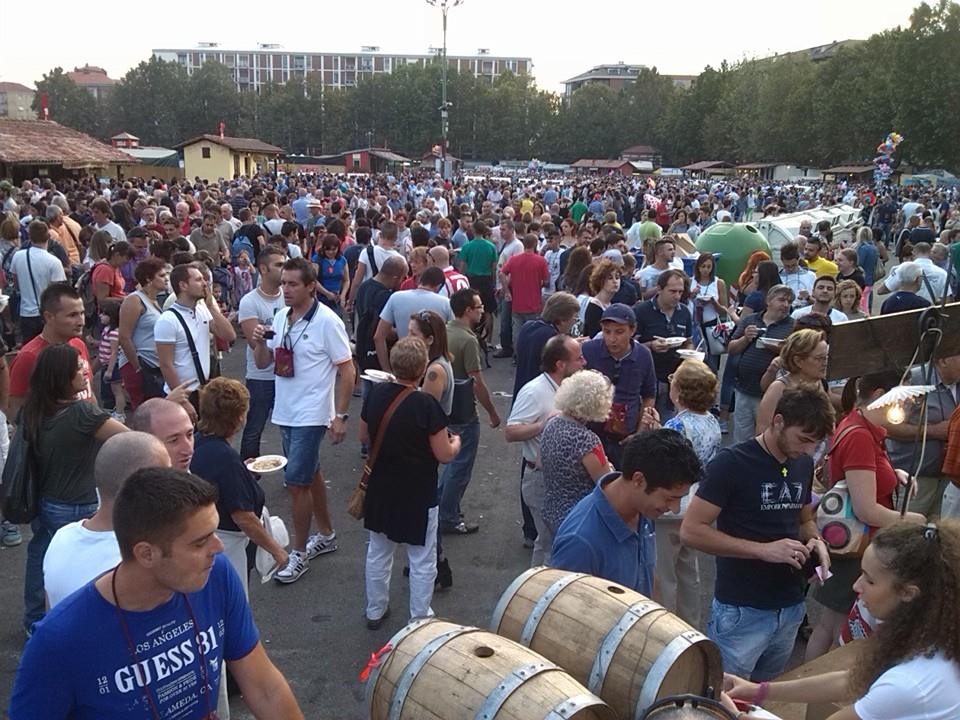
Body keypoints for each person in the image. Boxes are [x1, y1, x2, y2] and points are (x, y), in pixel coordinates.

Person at [8, 467, 306, 719]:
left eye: (215, 532)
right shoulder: (59, 641)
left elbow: (265, 688)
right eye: (199, 542)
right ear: (146, 554)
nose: (218, 548)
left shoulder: (216, 576)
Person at [723, 521, 960, 720]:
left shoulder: (907, 685)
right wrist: (759, 691)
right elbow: (855, 679)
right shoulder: (933, 633)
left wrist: (736, 716)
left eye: (870, 580)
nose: (856, 586)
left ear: (908, 593)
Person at [680, 385, 835, 680]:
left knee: (762, 697)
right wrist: (763, 550)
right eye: (802, 439)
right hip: (741, 609)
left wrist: (816, 540)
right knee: (723, 699)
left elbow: (803, 519)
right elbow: (691, 531)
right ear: (778, 421)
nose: (807, 451)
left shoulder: (801, 463)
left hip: (790, 606)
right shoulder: (731, 464)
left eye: (815, 444)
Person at [804, 371, 927, 661]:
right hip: (855, 547)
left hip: (855, 543)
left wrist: (893, 474)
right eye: (904, 397)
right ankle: (813, 701)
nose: (907, 406)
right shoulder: (860, 436)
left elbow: (861, 476)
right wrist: (917, 522)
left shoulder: (861, 425)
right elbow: (866, 509)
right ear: (879, 395)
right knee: (835, 633)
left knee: (828, 627)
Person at [251, 257, 355, 583]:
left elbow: (347, 369)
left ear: (311, 286)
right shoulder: (280, 317)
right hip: (285, 410)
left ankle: (297, 553)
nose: (286, 289)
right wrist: (257, 341)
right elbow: (266, 361)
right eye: (283, 283)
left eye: (293, 284)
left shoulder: (327, 321)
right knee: (310, 475)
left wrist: (339, 416)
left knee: (296, 483)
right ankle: (325, 534)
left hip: (312, 414)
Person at [19, 343, 128, 634]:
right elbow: (130, 441)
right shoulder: (81, 413)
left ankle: (38, 622)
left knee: (45, 559)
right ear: (62, 376)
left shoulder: (36, 408)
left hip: (46, 500)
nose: (84, 369)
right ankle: (74, 627)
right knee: (83, 569)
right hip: (76, 503)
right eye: (77, 367)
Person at [361, 337, 462, 629]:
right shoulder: (426, 405)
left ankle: (375, 609)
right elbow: (443, 454)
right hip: (417, 491)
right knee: (421, 557)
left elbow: (363, 436)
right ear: (422, 369)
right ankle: (419, 616)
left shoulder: (377, 394)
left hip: (381, 486)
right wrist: (456, 444)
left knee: (378, 552)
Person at [552, 429, 702, 597]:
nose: (674, 509)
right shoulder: (580, 542)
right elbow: (563, 614)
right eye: (669, 498)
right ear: (638, 480)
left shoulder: (644, 510)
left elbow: (649, 576)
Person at [43, 431, 170, 609]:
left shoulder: (61, 538)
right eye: (167, 478)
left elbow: (50, 612)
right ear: (146, 489)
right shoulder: (139, 559)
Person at [191, 377, 289, 596]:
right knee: (234, 601)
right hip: (228, 545)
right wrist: (276, 551)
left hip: (207, 538)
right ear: (237, 418)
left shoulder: (199, 442)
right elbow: (243, 517)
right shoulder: (226, 459)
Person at [506, 335, 587, 565]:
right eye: (579, 358)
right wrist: (545, 424)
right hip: (540, 479)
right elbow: (511, 432)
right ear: (560, 364)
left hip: (561, 479)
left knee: (548, 543)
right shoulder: (534, 391)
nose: (584, 361)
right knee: (554, 545)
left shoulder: (568, 387)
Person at [657, 360, 721, 627]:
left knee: (664, 574)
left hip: (673, 504)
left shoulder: (677, 425)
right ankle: (690, 624)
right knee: (688, 571)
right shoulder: (712, 422)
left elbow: (663, 464)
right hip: (697, 502)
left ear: (679, 392)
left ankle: (665, 625)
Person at [439, 288, 501, 534]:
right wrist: (493, 413)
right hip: (463, 411)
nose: (482, 310)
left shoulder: (443, 330)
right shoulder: (468, 340)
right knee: (460, 466)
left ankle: (442, 507)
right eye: (479, 307)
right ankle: (449, 517)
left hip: (444, 407)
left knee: (449, 465)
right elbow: (477, 382)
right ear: (467, 311)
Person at [582, 303, 658, 468]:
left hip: (626, 440)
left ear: (632, 330)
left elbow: (649, 395)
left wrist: (639, 434)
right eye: (607, 332)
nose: (612, 339)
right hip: (591, 438)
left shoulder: (644, 356)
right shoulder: (588, 351)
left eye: (619, 332)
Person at [886, 354, 960, 521]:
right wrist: (934, 431)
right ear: (943, 360)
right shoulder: (913, 380)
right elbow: (888, 425)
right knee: (905, 533)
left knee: (940, 537)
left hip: (948, 480)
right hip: (914, 479)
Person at [540, 369, 615, 534]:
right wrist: (609, 466)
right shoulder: (587, 440)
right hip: (578, 520)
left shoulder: (551, 423)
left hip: (551, 511)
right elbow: (607, 483)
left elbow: (541, 462)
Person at [8, 283, 94, 420]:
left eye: (82, 313)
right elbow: (16, 408)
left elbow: (89, 393)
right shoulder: (29, 357)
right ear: (49, 317)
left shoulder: (79, 345)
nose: (81, 322)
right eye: (72, 315)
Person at [155, 262, 236, 402]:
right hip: (183, 394)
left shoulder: (202, 310)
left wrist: (210, 306)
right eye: (199, 280)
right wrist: (183, 401)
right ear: (183, 285)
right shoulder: (167, 320)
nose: (205, 284)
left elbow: (229, 335)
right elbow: (166, 364)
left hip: (203, 390)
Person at [726, 285, 796, 443]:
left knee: (766, 438)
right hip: (744, 390)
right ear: (768, 301)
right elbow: (731, 348)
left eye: (789, 301)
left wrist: (781, 349)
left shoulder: (793, 326)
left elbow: (796, 357)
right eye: (781, 300)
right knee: (741, 439)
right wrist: (745, 338)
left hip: (771, 394)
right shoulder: (751, 320)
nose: (786, 304)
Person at [237, 246, 288, 460]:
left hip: (287, 374)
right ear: (263, 269)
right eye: (279, 265)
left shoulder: (289, 295)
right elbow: (253, 342)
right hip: (261, 377)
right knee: (255, 426)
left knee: (289, 425)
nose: (284, 269)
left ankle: (292, 470)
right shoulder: (250, 301)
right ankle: (248, 470)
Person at [634, 269, 694, 422]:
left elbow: (689, 340)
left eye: (680, 292)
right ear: (659, 289)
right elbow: (630, 344)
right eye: (672, 291)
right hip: (647, 378)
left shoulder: (684, 312)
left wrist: (690, 353)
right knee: (644, 421)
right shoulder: (642, 311)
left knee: (667, 423)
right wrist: (650, 345)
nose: (677, 296)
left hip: (673, 379)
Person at [374, 265, 452, 373]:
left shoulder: (396, 297)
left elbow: (378, 337)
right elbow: (451, 337)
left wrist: (387, 370)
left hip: (403, 363)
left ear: (420, 280)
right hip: (433, 366)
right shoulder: (446, 303)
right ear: (438, 286)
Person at [755, 329, 829, 434]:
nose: (825, 363)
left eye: (826, 357)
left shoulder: (820, 383)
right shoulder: (779, 389)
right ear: (798, 361)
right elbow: (762, 432)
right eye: (819, 358)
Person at [117, 256, 168, 410]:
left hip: (154, 367)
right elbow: (124, 337)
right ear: (148, 279)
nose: (166, 279)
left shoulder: (153, 301)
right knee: (144, 411)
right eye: (161, 276)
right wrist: (137, 367)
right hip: (140, 367)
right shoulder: (134, 300)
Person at [513, 291, 580, 397]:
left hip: (521, 392)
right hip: (541, 396)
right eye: (574, 319)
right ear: (562, 319)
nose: (574, 322)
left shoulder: (528, 327)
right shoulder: (552, 338)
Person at [10, 219, 66, 343]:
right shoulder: (54, 262)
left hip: (26, 313)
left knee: (30, 348)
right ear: (48, 236)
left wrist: (21, 289)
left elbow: (14, 281)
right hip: (48, 314)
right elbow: (57, 292)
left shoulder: (18, 256)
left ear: (29, 236)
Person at [500, 232, 551, 353]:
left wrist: (507, 291)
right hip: (534, 303)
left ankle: (518, 355)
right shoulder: (540, 261)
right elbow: (547, 281)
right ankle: (531, 354)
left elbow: (502, 273)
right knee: (533, 332)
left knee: (517, 332)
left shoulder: (514, 260)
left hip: (517, 303)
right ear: (535, 244)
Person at [408, 309, 455, 416]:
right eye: (408, 332)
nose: (408, 338)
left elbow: (424, 410)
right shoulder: (429, 362)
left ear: (430, 340)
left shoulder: (435, 370)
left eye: (413, 334)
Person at [582, 258, 621, 338]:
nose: (615, 281)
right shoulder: (594, 307)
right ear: (600, 281)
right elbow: (593, 337)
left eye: (617, 277)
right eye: (610, 278)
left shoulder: (611, 303)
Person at [315, 233, 349, 314]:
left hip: (337, 298)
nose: (330, 252)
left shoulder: (342, 260)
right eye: (328, 249)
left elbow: (346, 280)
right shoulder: (317, 260)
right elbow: (313, 280)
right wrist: (327, 293)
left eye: (334, 249)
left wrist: (343, 295)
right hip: (321, 297)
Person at [778, 241, 817, 307]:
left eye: (794, 265)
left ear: (798, 259)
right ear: (782, 261)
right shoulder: (778, 277)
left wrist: (808, 298)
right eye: (787, 266)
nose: (790, 269)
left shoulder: (811, 276)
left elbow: (818, 303)